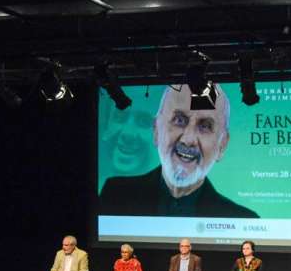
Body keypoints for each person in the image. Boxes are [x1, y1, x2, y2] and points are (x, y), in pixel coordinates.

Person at [99, 84, 259, 218]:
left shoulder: (243, 219)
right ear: (156, 130)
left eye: (205, 126)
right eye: (179, 120)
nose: (188, 140)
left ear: (222, 146)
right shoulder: (115, 194)